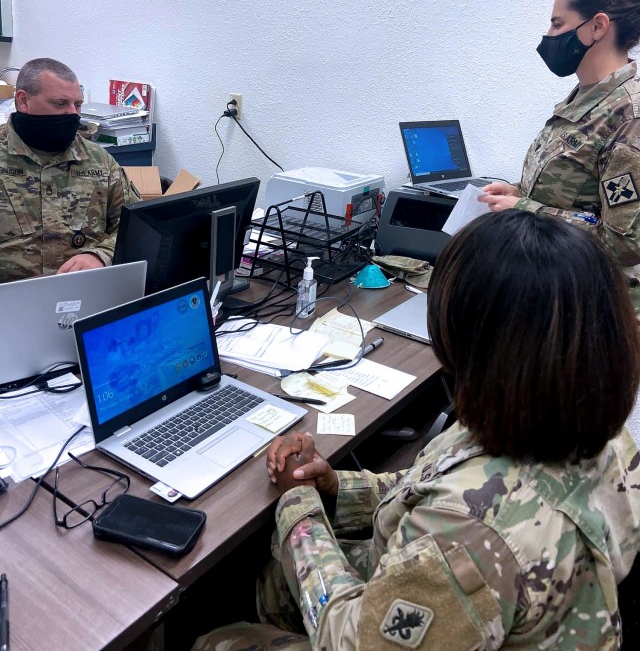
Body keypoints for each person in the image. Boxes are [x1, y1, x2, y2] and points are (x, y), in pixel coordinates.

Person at [195, 211, 640, 650]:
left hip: (398, 618)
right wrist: (334, 487)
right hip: (492, 605)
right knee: (275, 569)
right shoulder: (579, 427)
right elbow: (445, 482)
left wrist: (299, 505)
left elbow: (349, 640)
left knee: (216, 640)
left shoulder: (470, 533)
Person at [479, 0, 640, 312]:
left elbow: (622, 243)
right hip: (556, 290)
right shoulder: (585, 99)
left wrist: (525, 208)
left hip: (600, 310)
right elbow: (580, 194)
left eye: (557, 24)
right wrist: (520, 191)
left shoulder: (628, 116)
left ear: (597, 26)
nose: (549, 36)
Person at [0, 57, 140, 282]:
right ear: (23, 101)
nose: (73, 114)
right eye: (59, 103)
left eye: (77, 104)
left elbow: (137, 225)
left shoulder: (98, 160)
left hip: (84, 293)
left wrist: (101, 255)